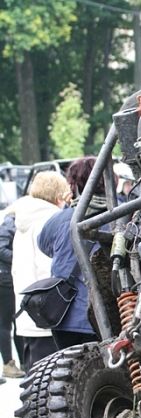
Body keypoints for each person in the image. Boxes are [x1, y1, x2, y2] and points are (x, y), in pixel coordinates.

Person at [39, 158, 104, 349]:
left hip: (66, 315)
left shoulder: (60, 219)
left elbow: (44, 246)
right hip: (109, 314)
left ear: (73, 184)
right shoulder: (122, 215)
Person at [12, 171, 71, 371]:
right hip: (49, 313)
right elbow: (52, 269)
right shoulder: (51, 220)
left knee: (35, 379)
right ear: (59, 194)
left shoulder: (23, 220)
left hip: (28, 312)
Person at [0, 211, 24, 378]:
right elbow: (1, 249)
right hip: (5, 281)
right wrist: (20, 257)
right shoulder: (9, 225)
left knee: (16, 322)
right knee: (6, 324)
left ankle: (22, 362)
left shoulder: (12, 225)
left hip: (8, 279)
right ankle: (9, 364)